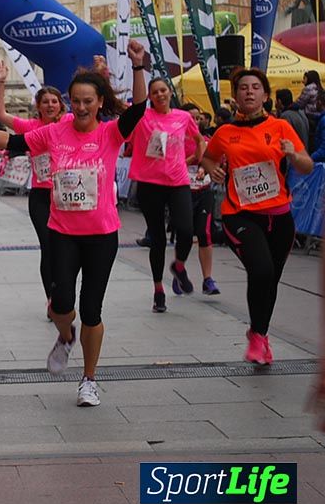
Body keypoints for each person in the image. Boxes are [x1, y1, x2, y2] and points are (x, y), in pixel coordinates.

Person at [0, 41, 149, 407]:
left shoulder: (110, 133)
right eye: (75, 100)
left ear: (99, 103)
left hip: (102, 235)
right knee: (59, 305)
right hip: (62, 232)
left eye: (88, 101)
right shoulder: (53, 132)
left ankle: (89, 379)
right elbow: (13, 141)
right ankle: (65, 336)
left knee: (92, 309)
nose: (80, 107)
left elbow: (138, 109)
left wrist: (138, 66)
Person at [200, 68, 313, 365]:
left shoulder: (280, 128)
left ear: (265, 94)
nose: (249, 92)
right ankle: (257, 334)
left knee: (271, 279)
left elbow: (307, 166)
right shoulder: (225, 133)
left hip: (280, 217)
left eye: (255, 87)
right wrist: (213, 169)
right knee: (261, 271)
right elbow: (208, 156)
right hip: (242, 215)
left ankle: (259, 335)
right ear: (235, 96)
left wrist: (293, 154)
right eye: (243, 88)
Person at [0, 59, 69, 317]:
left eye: (54, 101)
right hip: (40, 196)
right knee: (48, 247)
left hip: (66, 195)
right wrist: (1, 82)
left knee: (63, 250)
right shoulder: (31, 127)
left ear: (61, 105)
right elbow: (1, 115)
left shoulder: (68, 123)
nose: (50, 105)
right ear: (38, 106)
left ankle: (63, 291)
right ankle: (51, 299)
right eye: (45, 101)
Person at [128, 76, 204, 312]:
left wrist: (193, 160)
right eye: (155, 92)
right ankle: (158, 290)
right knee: (158, 239)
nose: (160, 94)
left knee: (186, 230)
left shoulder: (183, 117)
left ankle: (179, 266)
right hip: (150, 184)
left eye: (163, 90)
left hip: (178, 182)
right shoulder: (142, 117)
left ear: (170, 92)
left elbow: (199, 140)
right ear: (149, 97)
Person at [179, 103, 220, 295]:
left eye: (197, 118)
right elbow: (167, 163)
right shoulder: (174, 139)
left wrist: (206, 166)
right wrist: (192, 160)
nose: (195, 121)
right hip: (181, 191)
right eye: (191, 118)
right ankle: (180, 270)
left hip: (203, 190)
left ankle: (208, 279)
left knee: (204, 233)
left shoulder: (206, 140)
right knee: (186, 235)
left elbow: (215, 161)